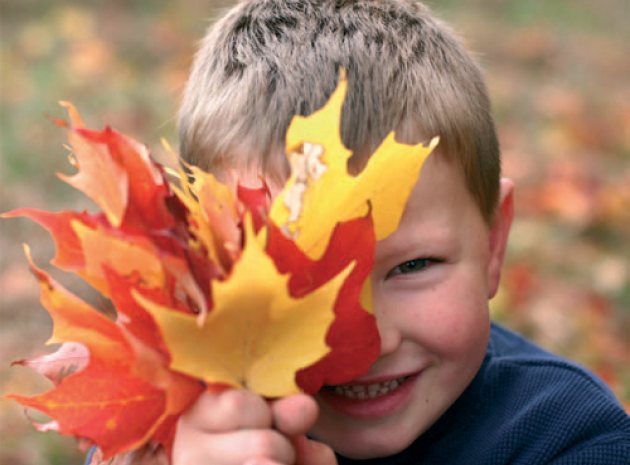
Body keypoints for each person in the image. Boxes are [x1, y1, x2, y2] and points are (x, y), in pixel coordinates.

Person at [171, 0, 630, 463]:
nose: (373, 343)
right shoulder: (169, 427)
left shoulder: (568, 437)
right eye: (300, 283)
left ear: (493, 244)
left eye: (413, 266)